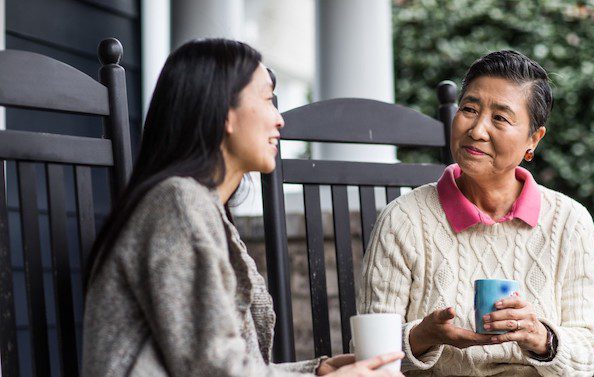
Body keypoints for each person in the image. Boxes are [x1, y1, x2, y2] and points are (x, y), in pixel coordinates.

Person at [82, 38, 403, 377]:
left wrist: (315, 371)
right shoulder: (177, 204)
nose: (279, 120)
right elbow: (212, 369)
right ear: (224, 113)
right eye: (267, 100)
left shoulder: (200, 207)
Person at [359, 50, 594, 376]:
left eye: (500, 118)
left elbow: (591, 348)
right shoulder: (403, 219)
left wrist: (541, 337)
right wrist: (423, 337)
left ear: (534, 140)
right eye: (469, 109)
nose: (477, 130)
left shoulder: (570, 222)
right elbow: (369, 355)